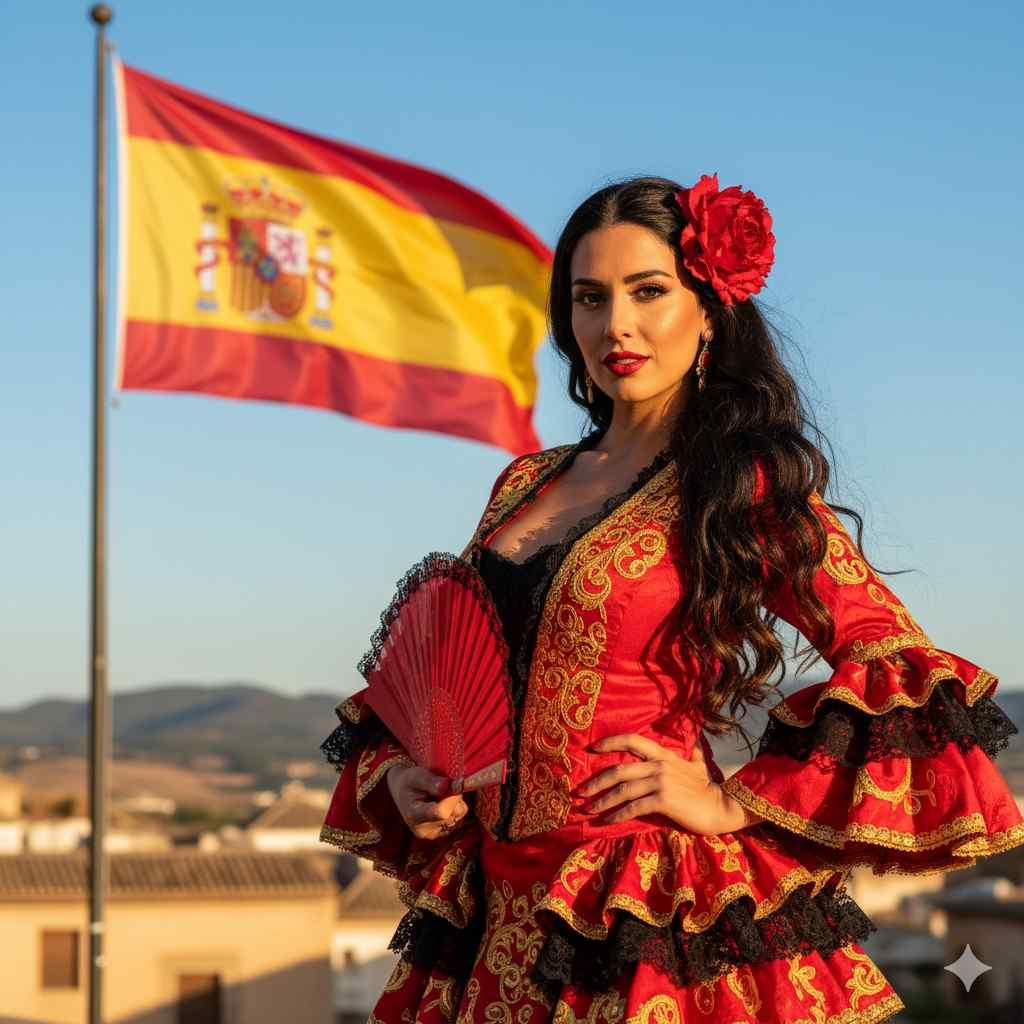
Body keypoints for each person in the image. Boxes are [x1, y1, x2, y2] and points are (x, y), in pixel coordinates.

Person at [318, 174, 1024, 1024]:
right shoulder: (525, 482)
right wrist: (405, 777)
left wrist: (734, 797)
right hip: (488, 913)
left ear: (710, 312)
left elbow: (887, 654)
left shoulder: (739, 483)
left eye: (647, 291)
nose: (614, 324)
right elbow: (454, 666)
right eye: (589, 297)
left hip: (640, 909)